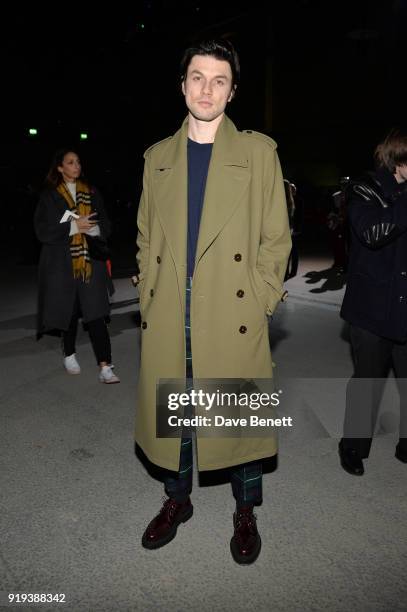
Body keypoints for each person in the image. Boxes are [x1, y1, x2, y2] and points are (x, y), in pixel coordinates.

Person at [135, 39, 291, 563]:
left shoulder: (258, 153)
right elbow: (144, 235)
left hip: (233, 306)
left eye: (218, 79)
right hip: (170, 308)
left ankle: (245, 510)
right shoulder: (156, 158)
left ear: (232, 90)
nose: (206, 88)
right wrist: (148, 293)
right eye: (197, 77)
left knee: (237, 414)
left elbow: (276, 237)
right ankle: (177, 500)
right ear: (182, 86)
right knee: (175, 410)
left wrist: (263, 299)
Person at [339, 129, 407, 475]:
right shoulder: (364, 189)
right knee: (367, 381)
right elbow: (372, 233)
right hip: (371, 307)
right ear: (398, 159)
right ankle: (353, 445)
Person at [34, 148, 119, 384]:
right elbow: (42, 231)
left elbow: (106, 222)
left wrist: (95, 229)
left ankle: (105, 366)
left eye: (78, 162)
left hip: (90, 262)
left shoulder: (91, 191)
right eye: (71, 162)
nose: (76, 166)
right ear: (60, 168)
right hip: (62, 264)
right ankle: (69, 353)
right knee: (69, 312)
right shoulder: (49, 196)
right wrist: (73, 227)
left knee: (96, 313)